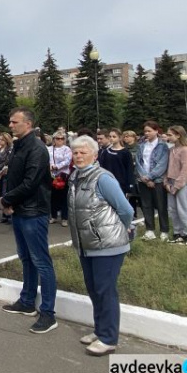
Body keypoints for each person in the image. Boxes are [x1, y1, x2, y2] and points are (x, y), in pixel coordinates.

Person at [66, 135, 134, 356]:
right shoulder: (75, 177)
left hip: (108, 245)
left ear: (95, 155)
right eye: (75, 152)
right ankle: (100, 329)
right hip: (87, 245)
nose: (78, 156)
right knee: (94, 289)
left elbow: (126, 210)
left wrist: (119, 230)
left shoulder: (103, 178)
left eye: (83, 152)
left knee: (106, 290)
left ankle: (108, 338)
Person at [0, 107, 58, 334]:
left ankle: (48, 313)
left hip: (34, 212)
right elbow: (15, 177)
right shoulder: (19, 146)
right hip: (19, 210)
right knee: (26, 258)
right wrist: (11, 202)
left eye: (15, 122)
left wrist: (6, 199)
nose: (11, 125)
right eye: (10, 122)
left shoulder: (37, 148)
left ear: (29, 123)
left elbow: (31, 182)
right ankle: (26, 301)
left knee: (41, 261)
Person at [134, 121, 170, 242]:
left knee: (161, 206)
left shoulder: (163, 146)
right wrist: (144, 178)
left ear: (156, 131)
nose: (146, 133)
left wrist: (150, 177)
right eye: (145, 131)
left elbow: (162, 164)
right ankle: (150, 230)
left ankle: (164, 231)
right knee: (146, 205)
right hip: (143, 180)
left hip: (157, 180)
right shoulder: (141, 145)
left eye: (149, 131)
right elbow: (138, 162)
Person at [164, 126, 187, 245]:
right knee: (173, 209)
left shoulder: (185, 150)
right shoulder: (171, 150)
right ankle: (179, 233)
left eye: (170, 135)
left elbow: (186, 170)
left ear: (178, 135)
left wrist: (176, 186)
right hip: (171, 182)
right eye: (167, 135)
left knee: (184, 209)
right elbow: (167, 168)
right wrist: (166, 182)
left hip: (183, 183)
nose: (168, 137)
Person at [48, 131, 72, 227]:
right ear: (53, 139)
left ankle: (64, 218)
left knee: (64, 197)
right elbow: (46, 159)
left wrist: (56, 166)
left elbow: (67, 161)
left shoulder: (67, 149)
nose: (60, 140)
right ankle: (53, 216)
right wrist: (49, 166)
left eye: (62, 138)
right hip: (51, 175)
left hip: (63, 175)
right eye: (58, 138)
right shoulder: (49, 149)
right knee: (52, 197)